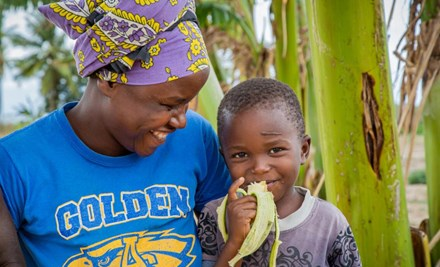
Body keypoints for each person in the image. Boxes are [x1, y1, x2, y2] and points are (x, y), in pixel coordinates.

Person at [0, 0, 231, 266]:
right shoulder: (17, 163)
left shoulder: (195, 139)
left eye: (187, 103)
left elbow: (226, 239)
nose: (181, 121)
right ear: (109, 80)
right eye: (168, 105)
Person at [197, 78, 362, 266]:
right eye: (240, 154)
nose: (259, 167)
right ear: (225, 159)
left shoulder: (329, 221)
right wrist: (236, 242)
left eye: (275, 150)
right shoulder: (214, 216)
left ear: (303, 150)